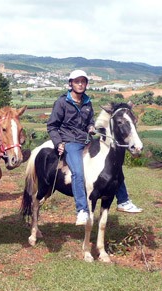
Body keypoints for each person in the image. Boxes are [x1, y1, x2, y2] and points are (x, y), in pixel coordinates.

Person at [47, 70, 96, 225]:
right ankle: (81, 210)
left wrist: (91, 126)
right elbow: (52, 126)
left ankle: (123, 200)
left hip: (87, 140)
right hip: (71, 142)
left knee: (111, 162)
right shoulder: (62, 102)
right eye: (77, 81)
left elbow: (90, 120)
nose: (80, 84)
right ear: (70, 84)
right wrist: (58, 142)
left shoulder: (88, 102)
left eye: (83, 81)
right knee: (78, 172)